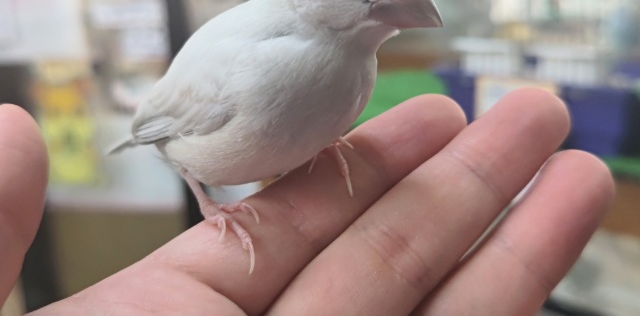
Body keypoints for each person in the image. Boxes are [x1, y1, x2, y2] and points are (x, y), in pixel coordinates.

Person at [0, 89, 614, 315]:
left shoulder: (353, 70)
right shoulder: (240, 67)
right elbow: (171, 133)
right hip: (182, 141)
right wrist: (211, 207)